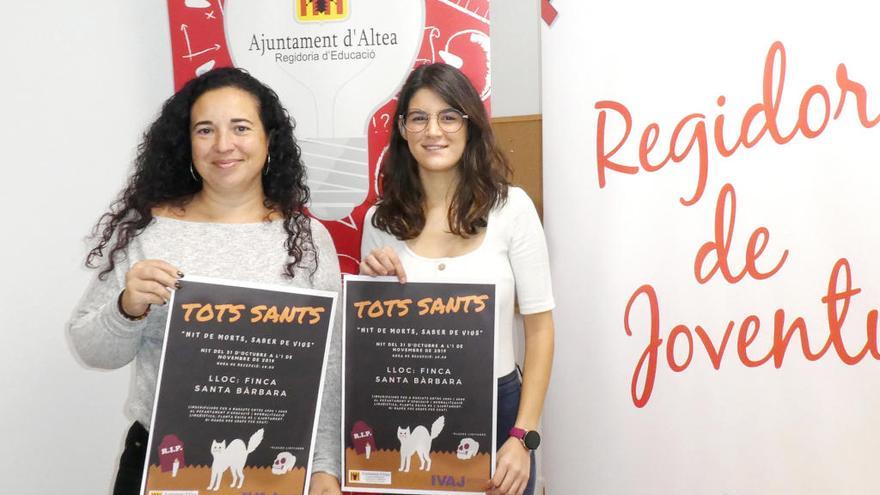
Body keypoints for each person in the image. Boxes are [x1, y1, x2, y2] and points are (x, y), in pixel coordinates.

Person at [67, 67, 342, 495]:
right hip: (164, 459)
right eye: (205, 130)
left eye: (240, 127)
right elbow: (91, 349)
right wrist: (127, 307)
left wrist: (325, 465)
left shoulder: (307, 239)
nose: (223, 145)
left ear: (269, 140)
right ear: (186, 143)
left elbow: (329, 365)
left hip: (278, 464)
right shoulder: (149, 231)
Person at [359, 63, 555, 495]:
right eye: (419, 117)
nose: (434, 131)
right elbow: (375, 343)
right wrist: (371, 288)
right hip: (406, 406)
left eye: (449, 116)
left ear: (470, 125)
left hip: (501, 410)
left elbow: (540, 331)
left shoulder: (513, 209)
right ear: (403, 130)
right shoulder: (381, 221)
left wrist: (523, 438)